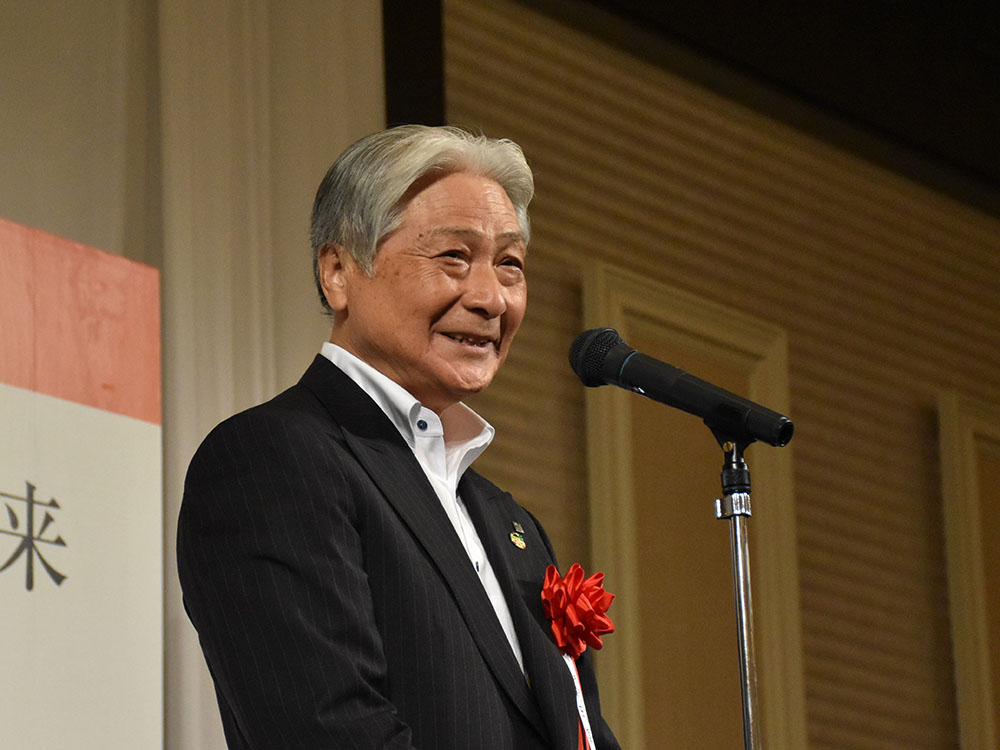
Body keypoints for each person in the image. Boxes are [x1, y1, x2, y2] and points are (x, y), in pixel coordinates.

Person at [177, 125, 620, 750]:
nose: (492, 298)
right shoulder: (272, 459)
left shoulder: (511, 523)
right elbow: (330, 732)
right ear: (338, 272)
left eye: (511, 265)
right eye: (453, 258)